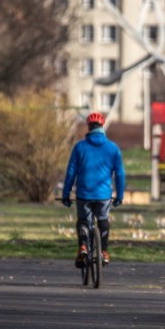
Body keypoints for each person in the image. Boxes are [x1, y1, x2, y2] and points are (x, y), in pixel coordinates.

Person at [61, 112, 125, 268]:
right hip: (103, 195)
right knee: (103, 219)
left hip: (84, 194)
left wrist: (66, 194)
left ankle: (83, 246)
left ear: (89, 127)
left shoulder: (79, 147)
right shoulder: (113, 148)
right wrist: (119, 195)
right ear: (102, 127)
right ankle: (103, 251)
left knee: (83, 220)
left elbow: (71, 172)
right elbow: (120, 174)